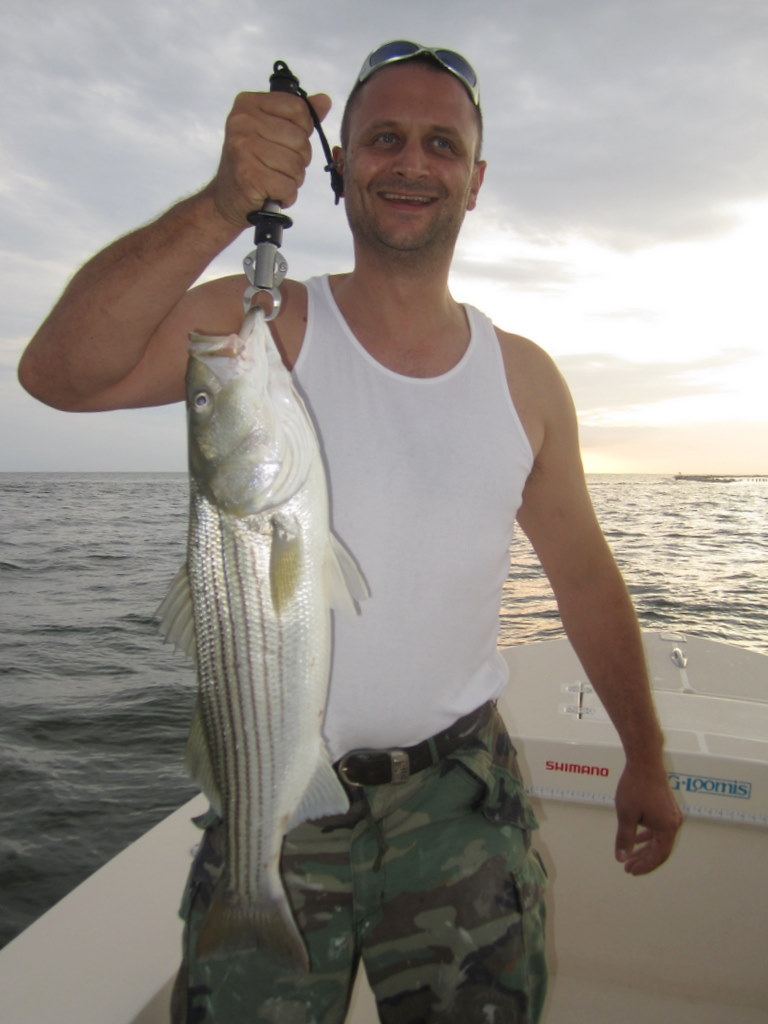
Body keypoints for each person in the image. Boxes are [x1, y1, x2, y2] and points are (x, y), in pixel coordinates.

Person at [19, 40, 682, 1024]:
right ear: (338, 165)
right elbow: (57, 375)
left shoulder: (526, 379)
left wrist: (646, 754)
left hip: (459, 798)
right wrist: (219, 205)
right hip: (275, 798)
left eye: (440, 144)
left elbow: (584, 580)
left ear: (476, 179)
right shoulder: (259, 326)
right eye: (382, 139)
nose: (411, 163)